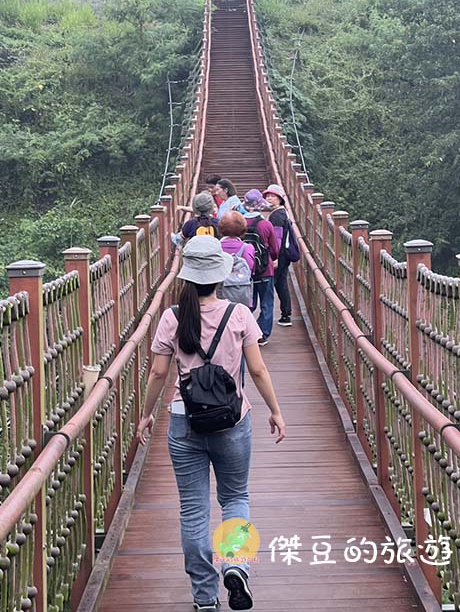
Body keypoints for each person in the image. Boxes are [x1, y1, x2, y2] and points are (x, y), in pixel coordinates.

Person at [137, 236, 286, 612]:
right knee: (235, 497)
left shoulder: (172, 317)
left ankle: (204, 597)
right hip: (232, 420)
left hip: (184, 420)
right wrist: (275, 410)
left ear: (187, 277)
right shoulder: (239, 314)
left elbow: (158, 372)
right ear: (220, 276)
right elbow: (258, 369)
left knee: (193, 508)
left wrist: (146, 414)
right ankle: (235, 566)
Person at [243, 190, 279, 346]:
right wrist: (272, 258)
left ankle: (246, 330)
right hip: (265, 269)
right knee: (267, 302)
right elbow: (275, 249)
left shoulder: (239, 222)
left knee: (248, 303)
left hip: (245, 270)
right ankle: (262, 334)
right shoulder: (266, 224)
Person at [263, 184, 292, 326]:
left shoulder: (277, 216)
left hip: (279, 255)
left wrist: (275, 258)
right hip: (283, 255)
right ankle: (286, 315)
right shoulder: (282, 212)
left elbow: (278, 238)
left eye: (272, 196)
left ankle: (277, 316)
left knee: (273, 285)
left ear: (279, 198)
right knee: (281, 283)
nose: (269, 198)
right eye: (267, 196)